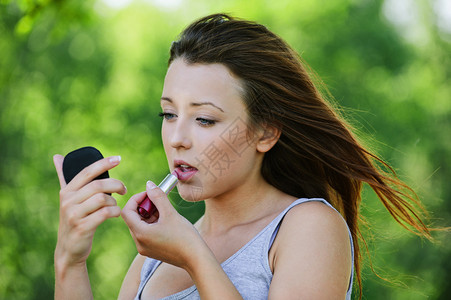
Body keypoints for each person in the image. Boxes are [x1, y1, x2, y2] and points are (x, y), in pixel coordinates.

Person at [53, 14, 432, 299]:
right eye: (169, 114)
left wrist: (194, 257)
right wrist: (70, 259)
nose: (177, 139)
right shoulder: (155, 254)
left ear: (266, 131)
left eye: (204, 119)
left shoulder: (307, 227)